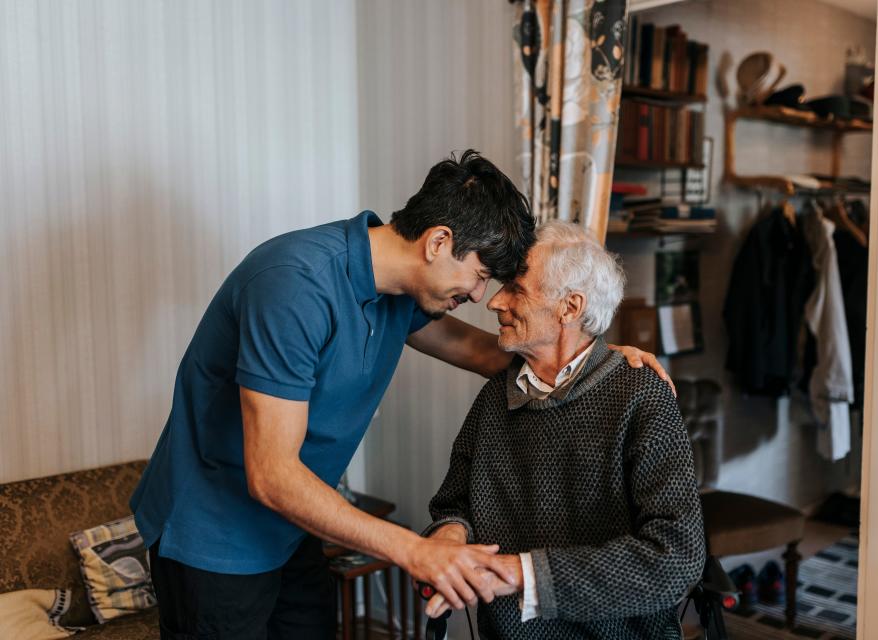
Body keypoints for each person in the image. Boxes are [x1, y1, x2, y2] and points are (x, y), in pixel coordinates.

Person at [130, 150, 671, 639]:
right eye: (480, 276)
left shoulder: (400, 292)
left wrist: (597, 356)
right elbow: (271, 475)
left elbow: (483, 352)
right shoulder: (295, 286)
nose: (482, 297)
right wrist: (415, 551)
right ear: (438, 242)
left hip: (291, 528)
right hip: (215, 535)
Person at [423, 221, 705, 639]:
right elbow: (455, 502)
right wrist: (449, 535)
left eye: (516, 289)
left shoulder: (640, 397)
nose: (494, 302)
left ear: (570, 308)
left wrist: (522, 574)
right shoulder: (494, 400)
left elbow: (676, 557)